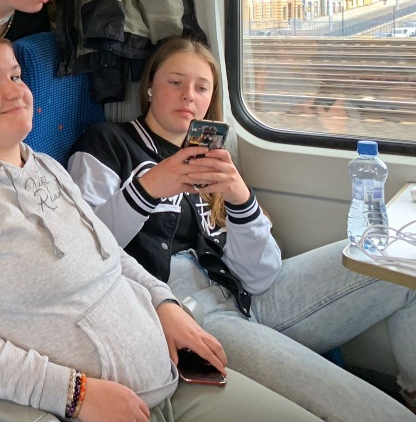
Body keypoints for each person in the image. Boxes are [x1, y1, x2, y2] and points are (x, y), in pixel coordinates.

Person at [0, 32, 320, 422]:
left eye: (16, 76)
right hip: (92, 406)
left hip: (174, 374)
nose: (15, 91)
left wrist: (164, 303)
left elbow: (109, 253)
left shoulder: (46, 168)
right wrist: (75, 395)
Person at [68, 37, 416, 422]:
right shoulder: (107, 143)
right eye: (175, 82)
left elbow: (262, 275)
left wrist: (240, 199)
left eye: (202, 87)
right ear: (149, 87)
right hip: (188, 311)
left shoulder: (212, 158)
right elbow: (85, 251)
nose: (188, 95)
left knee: (401, 262)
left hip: (248, 294)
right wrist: (149, 188)